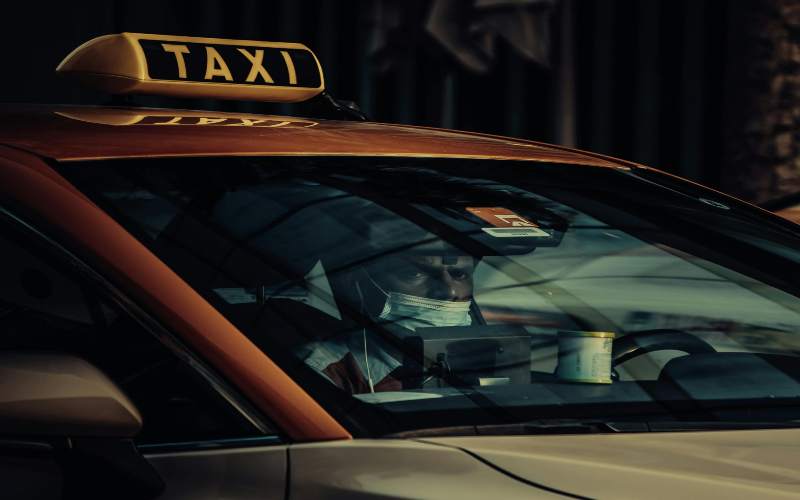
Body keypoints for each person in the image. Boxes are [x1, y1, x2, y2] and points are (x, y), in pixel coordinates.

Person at [300, 249, 477, 394]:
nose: (450, 292)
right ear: (357, 283)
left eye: (459, 274)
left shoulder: (485, 362)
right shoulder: (324, 372)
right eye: (415, 273)